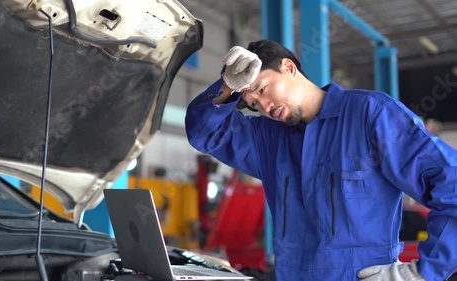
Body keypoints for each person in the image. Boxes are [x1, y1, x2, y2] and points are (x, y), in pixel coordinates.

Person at [185, 40, 457, 281]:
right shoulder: (267, 140)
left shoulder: (370, 115)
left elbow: (451, 182)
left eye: (263, 89)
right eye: (254, 105)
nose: (265, 107)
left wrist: (423, 273)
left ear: (289, 67)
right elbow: (203, 132)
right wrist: (228, 87)